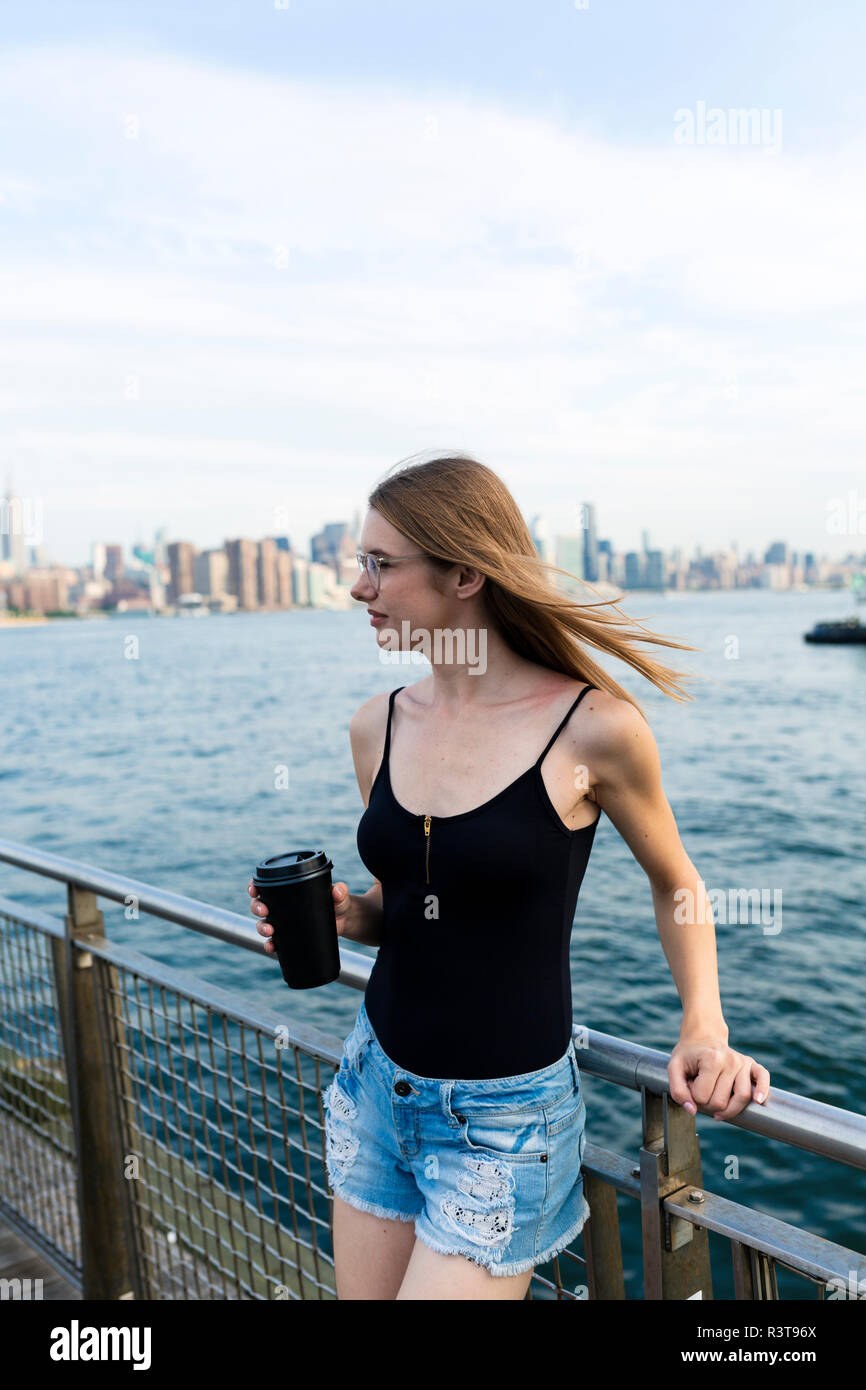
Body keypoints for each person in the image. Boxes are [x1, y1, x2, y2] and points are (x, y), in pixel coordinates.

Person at [247, 452, 771, 1301]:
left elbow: (677, 879)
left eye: (381, 565)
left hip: (503, 1127)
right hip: (374, 1087)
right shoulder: (374, 724)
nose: (358, 587)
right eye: (360, 563)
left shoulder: (593, 727)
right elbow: (411, 907)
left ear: (464, 573)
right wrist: (351, 916)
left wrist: (703, 1024)